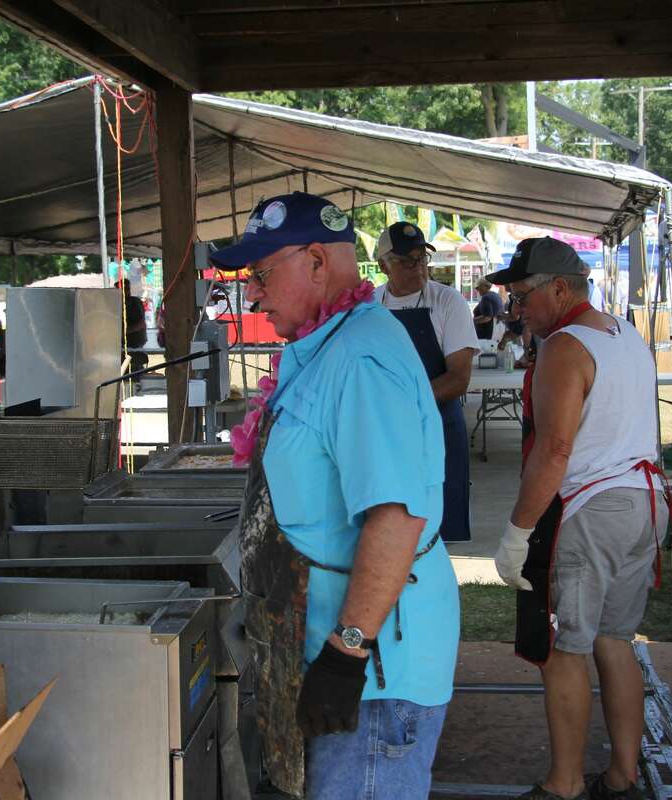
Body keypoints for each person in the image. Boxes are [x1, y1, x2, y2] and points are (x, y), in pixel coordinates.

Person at [209, 192, 458, 800]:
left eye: (262, 275)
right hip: (334, 646)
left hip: (372, 672)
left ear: (317, 262)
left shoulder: (361, 356)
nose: (253, 294)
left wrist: (347, 653)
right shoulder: (332, 343)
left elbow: (396, 515)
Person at [488, 237, 672, 800]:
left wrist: (517, 532)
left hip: (594, 508)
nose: (517, 309)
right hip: (645, 500)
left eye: (522, 297)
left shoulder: (565, 347)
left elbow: (555, 450)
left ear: (559, 289)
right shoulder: (622, 333)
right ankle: (622, 774)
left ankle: (564, 783)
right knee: (614, 641)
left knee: (565, 649)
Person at [376, 221, 478, 542]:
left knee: (437, 524)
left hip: (439, 427)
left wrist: (402, 405)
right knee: (389, 521)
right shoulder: (369, 308)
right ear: (383, 265)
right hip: (385, 433)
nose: (417, 267)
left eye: (421, 258)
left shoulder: (448, 302)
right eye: (406, 261)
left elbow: (459, 378)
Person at [115, 278, 149, 374]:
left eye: (125, 289)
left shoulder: (135, 302)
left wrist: (125, 332)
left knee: (135, 367)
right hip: (120, 345)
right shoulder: (116, 303)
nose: (123, 292)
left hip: (135, 342)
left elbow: (141, 323)